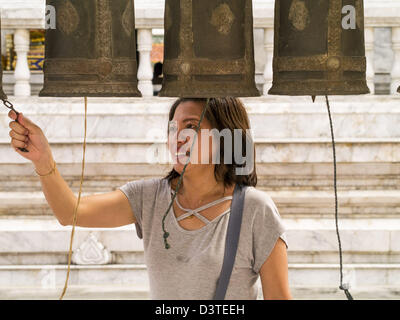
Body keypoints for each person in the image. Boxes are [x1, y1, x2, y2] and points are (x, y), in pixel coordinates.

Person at [7, 97, 291, 300]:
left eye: (190, 126)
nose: (177, 137)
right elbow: (71, 212)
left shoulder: (255, 209)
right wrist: (43, 159)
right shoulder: (149, 197)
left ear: (224, 138)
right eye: (172, 128)